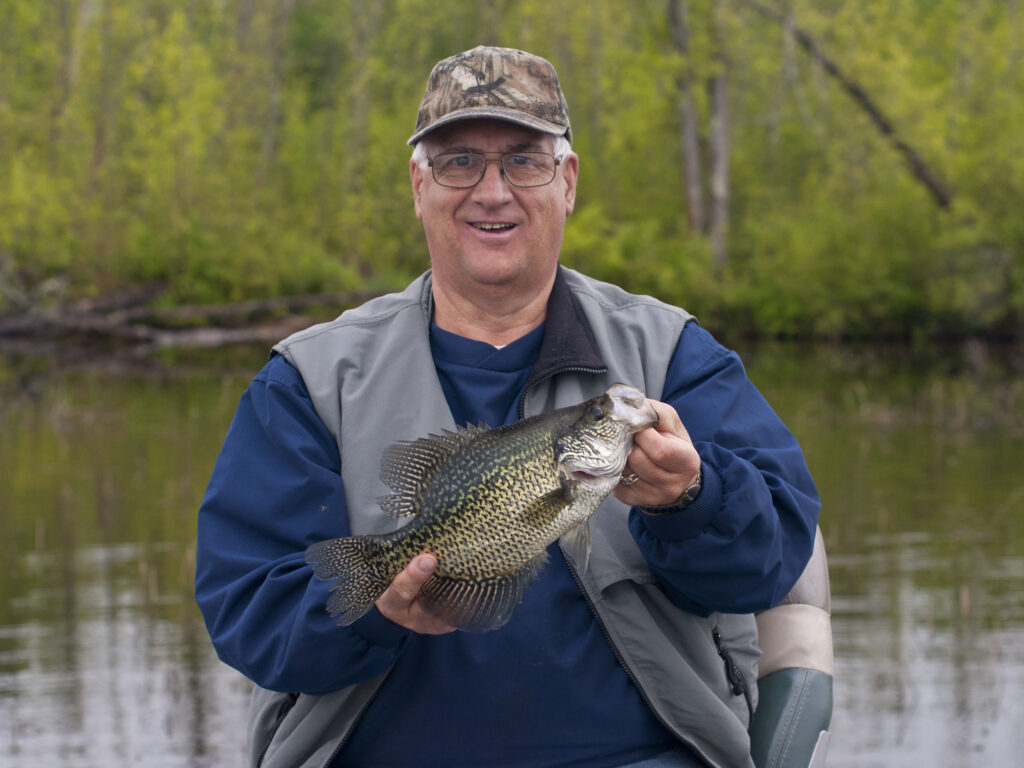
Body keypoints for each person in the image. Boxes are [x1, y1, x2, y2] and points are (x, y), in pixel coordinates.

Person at [195, 45, 820, 768]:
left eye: (524, 161)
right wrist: (372, 614)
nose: (493, 191)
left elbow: (771, 560)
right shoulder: (310, 382)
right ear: (418, 185)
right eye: (460, 161)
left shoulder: (671, 355)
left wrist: (693, 498)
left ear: (569, 183)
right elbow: (248, 611)